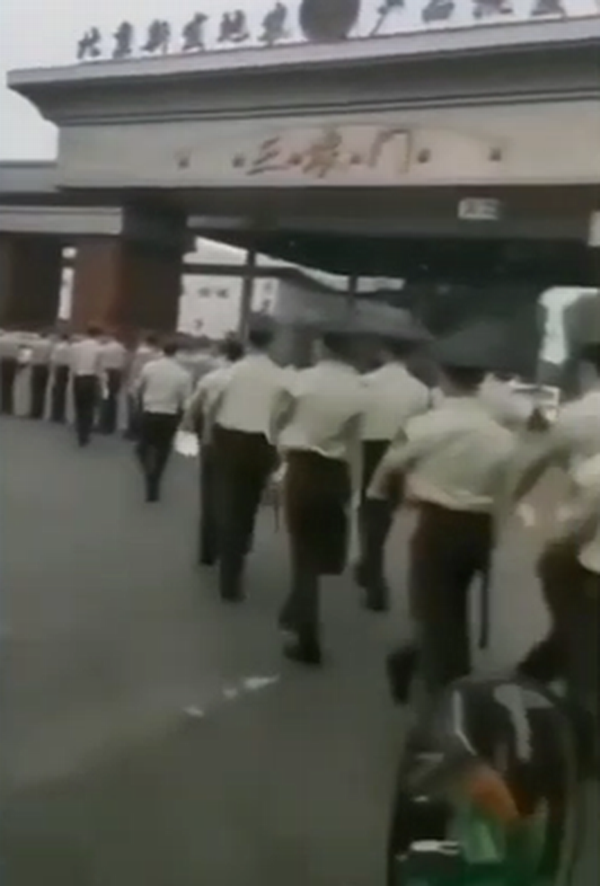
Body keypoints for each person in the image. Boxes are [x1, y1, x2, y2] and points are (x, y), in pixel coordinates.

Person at [368, 323, 516, 705]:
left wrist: (380, 495)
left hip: (437, 528)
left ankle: (442, 702)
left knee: (435, 612)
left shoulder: (425, 425)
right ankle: (427, 673)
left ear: (443, 375)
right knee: (451, 610)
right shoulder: (503, 436)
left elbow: (390, 466)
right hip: (478, 530)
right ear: (481, 379)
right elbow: (506, 492)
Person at [275, 320, 366, 665]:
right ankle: (294, 609)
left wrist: (281, 453)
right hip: (336, 473)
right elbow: (355, 441)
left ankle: (308, 637)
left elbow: (278, 420)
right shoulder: (361, 388)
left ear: (324, 347)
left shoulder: (300, 381)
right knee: (318, 549)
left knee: (302, 554)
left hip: (303, 469)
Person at [509, 340, 600, 684]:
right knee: (579, 628)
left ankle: (534, 679)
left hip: (586, 529)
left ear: (587, 370)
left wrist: (511, 500)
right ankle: (533, 677)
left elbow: (541, 461)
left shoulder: (577, 415)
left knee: (575, 620)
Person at [208, 315, 288, 602]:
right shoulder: (281, 376)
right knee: (249, 505)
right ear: (273, 340)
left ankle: (228, 572)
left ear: (247, 337)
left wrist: (208, 437)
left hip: (228, 440)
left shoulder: (231, 372)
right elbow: (282, 418)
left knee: (229, 502)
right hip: (261, 445)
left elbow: (212, 407)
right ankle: (238, 554)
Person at [355, 328, 432, 612]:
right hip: (401, 451)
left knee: (367, 511)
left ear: (384, 351)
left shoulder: (365, 382)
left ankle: (373, 575)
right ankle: (369, 565)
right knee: (383, 514)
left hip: (367, 449)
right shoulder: (421, 391)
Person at [180, 335, 245, 566]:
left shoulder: (213, 378)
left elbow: (192, 408)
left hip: (214, 440)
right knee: (238, 498)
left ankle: (207, 551)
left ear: (224, 353)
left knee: (210, 496)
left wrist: (186, 429)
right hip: (244, 441)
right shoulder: (249, 381)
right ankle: (234, 549)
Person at [135, 340, 192, 503]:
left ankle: (149, 474)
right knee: (163, 449)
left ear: (162, 351)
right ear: (177, 353)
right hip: (169, 415)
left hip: (150, 411)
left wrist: (139, 404)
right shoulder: (183, 374)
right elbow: (186, 400)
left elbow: (138, 387)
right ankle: (156, 477)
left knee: (141, 448)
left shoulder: (149, 367)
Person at [69, 325, 104, 446]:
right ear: (98, 335)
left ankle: (79, 427)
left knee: (79, 405)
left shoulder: (76, 346)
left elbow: (72, 363)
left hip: (78, 377)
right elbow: (99, 367)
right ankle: (84, 434)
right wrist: (100, 381)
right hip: (90, 378)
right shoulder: (99, 349)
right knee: (89, 407)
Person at [125, 334, 160, 438]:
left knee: (134, 407)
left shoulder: (141, 353)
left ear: (146, 342)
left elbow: (134, 369)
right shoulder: (158, 355)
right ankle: (142, 431)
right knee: (144, 407)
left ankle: (133, 431)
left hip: (137, 381)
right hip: (150, 383)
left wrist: (129, 382)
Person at [98, 333, 127, 434]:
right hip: (117, 374)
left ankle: (103, 424)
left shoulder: (105, 348)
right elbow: (124, 363)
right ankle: (111, 424)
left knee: (105, 398)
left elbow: (100, 362)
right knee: (113, 399)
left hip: (106, 374)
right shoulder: (122, 348)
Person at [28, 331, 53, 420]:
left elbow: (31, 356)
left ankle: (34, 411)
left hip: (36, 367)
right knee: (42, 391)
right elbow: (51, 358)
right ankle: (40, 411)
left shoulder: (35, 344)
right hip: (44, 367)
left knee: (35, 390)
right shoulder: (50, 344)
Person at [49, 333, 72, 423]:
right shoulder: (70, 348)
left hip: (59, 368)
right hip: (65, 368)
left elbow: (53, 359)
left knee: (57, 391)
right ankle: (60, 414)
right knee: (62, 391)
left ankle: (55, 413)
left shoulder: (57, 347)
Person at [0, 329, 21, 416]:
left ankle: (4, 407)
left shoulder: (1, 341)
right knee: (10, 386)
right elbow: (18, 353)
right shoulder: (15, 340)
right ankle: (9, 407)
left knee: (4, 386)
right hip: (13, 363)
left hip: (4, 362)